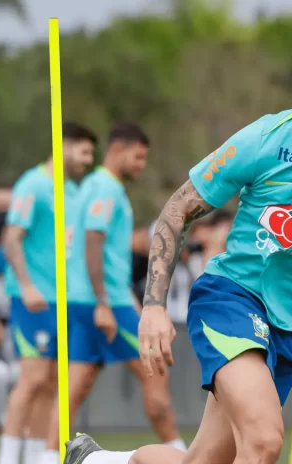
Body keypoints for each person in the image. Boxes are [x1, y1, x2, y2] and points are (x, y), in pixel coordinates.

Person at [66, 23, 292, 464]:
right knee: (264, 441)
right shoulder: (267, 137)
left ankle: (96, 461)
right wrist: (153, 306)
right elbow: (178, 209)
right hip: (232, 298)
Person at [42, 124, 185, 464]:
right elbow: (93, 240)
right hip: (105, 302)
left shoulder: (90, 185)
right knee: (157, 375)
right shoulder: (106, 188)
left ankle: (47, 457)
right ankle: (183, 455)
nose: (141, 165)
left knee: (73, 390)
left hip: (85, 300)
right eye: (138, 157)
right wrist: (105, 303)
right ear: (118, 150)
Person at [0, 122, 95, 464]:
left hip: (62, 300)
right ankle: (7, 458)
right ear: (63, 145)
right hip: (34, 300)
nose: (88, 160)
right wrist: (26, 286)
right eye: (84, 151)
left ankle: (40, 458)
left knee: (52, 383)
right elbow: (11, 239)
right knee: (32, 378)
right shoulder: (33, 184)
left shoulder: (70, 190)